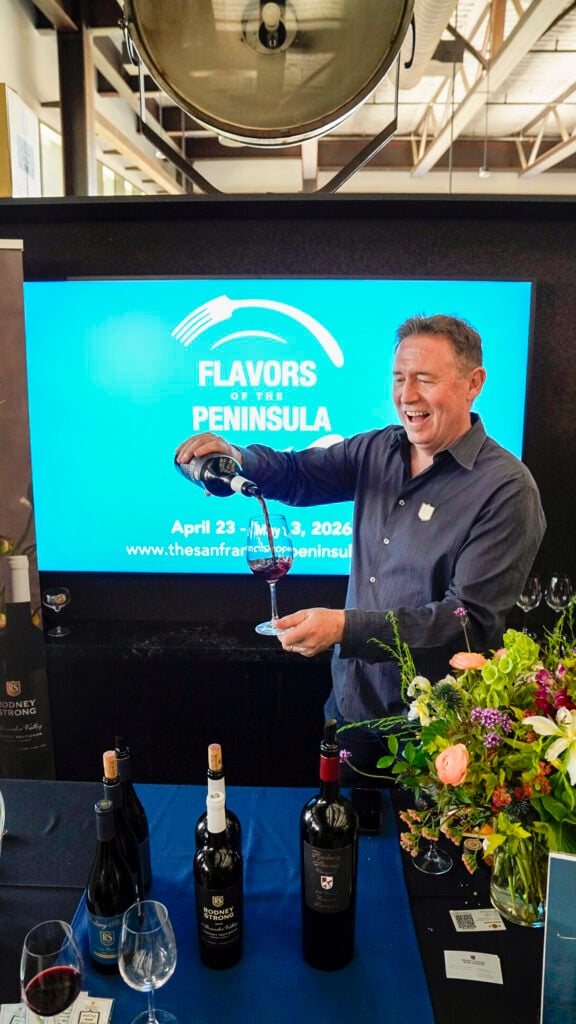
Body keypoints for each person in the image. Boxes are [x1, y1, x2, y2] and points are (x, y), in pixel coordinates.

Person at [175, 314, 546, 781]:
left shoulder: (506, 489)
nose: (407, 395)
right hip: (350, 709)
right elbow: (297, 474)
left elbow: (466, 623)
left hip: (436, 734)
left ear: (474, 383)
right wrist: (239, 456)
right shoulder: (378, 450)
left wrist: (344, 628)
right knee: (339, 824)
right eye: (399, 378)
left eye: (425, 379)